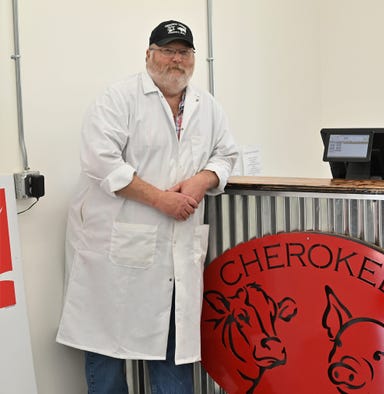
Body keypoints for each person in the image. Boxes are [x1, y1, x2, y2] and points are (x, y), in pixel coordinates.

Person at [56, 20, 238, 393]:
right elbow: (100, 162)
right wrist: (162, 199)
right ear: (149, 54)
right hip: (115, 249)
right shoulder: (119, 99)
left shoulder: (208, 106)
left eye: (184, 52)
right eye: (168, 51)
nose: (176, 60)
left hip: (175, 250)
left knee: (172, 349)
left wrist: (203, 180)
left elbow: (226, 154)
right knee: (105, 348)